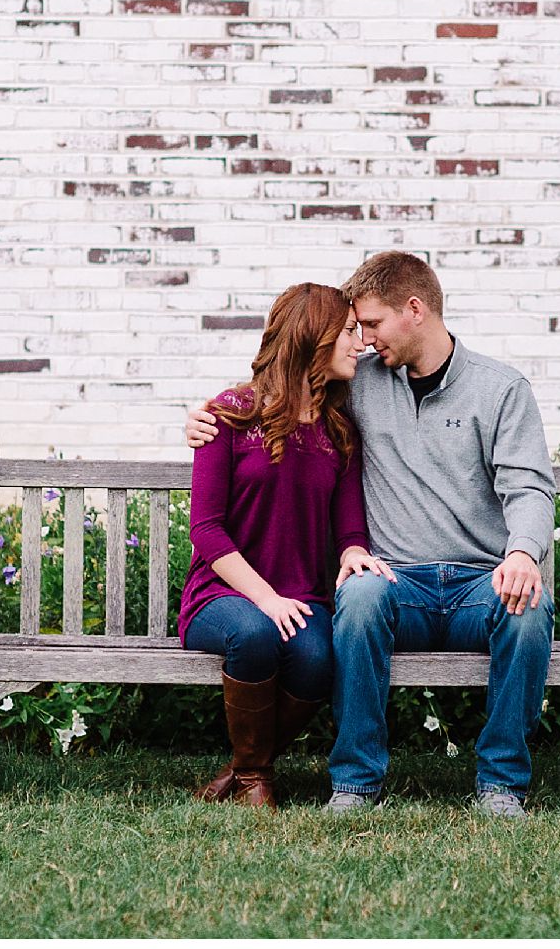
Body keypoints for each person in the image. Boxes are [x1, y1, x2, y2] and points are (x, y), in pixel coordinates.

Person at [187, 251, 556, 819]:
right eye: (354, 329)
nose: (362, 340)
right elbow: (287, 390)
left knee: (528, 607)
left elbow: (529, 487)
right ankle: (354, 784)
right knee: (358, 597)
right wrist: (207, 418)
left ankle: (501, 784)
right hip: (395, 581)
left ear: (415, 310)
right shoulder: (360, 385)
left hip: (480, 582)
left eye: (373, 324)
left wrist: (524, 554)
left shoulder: (500, 389)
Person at [178, 282, 382, 810]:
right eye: (348, 332)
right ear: (314, 338)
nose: (360, 343)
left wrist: (354, 553)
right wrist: (266, 599)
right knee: (254, 633)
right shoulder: (229, 415)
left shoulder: (339, 431)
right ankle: (255, 783)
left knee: (317, 657)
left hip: (301, 597)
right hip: (221, 593)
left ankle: (240, 770)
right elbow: (206, 528)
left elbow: (349, 529)